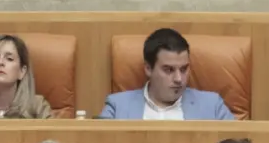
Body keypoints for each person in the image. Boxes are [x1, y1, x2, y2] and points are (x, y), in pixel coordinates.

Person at [98, 28, 235, 121]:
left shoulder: (212, 106)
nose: (179, 79)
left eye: (183, 69)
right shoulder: (117, 107)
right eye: (169, 70)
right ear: (148, 69)